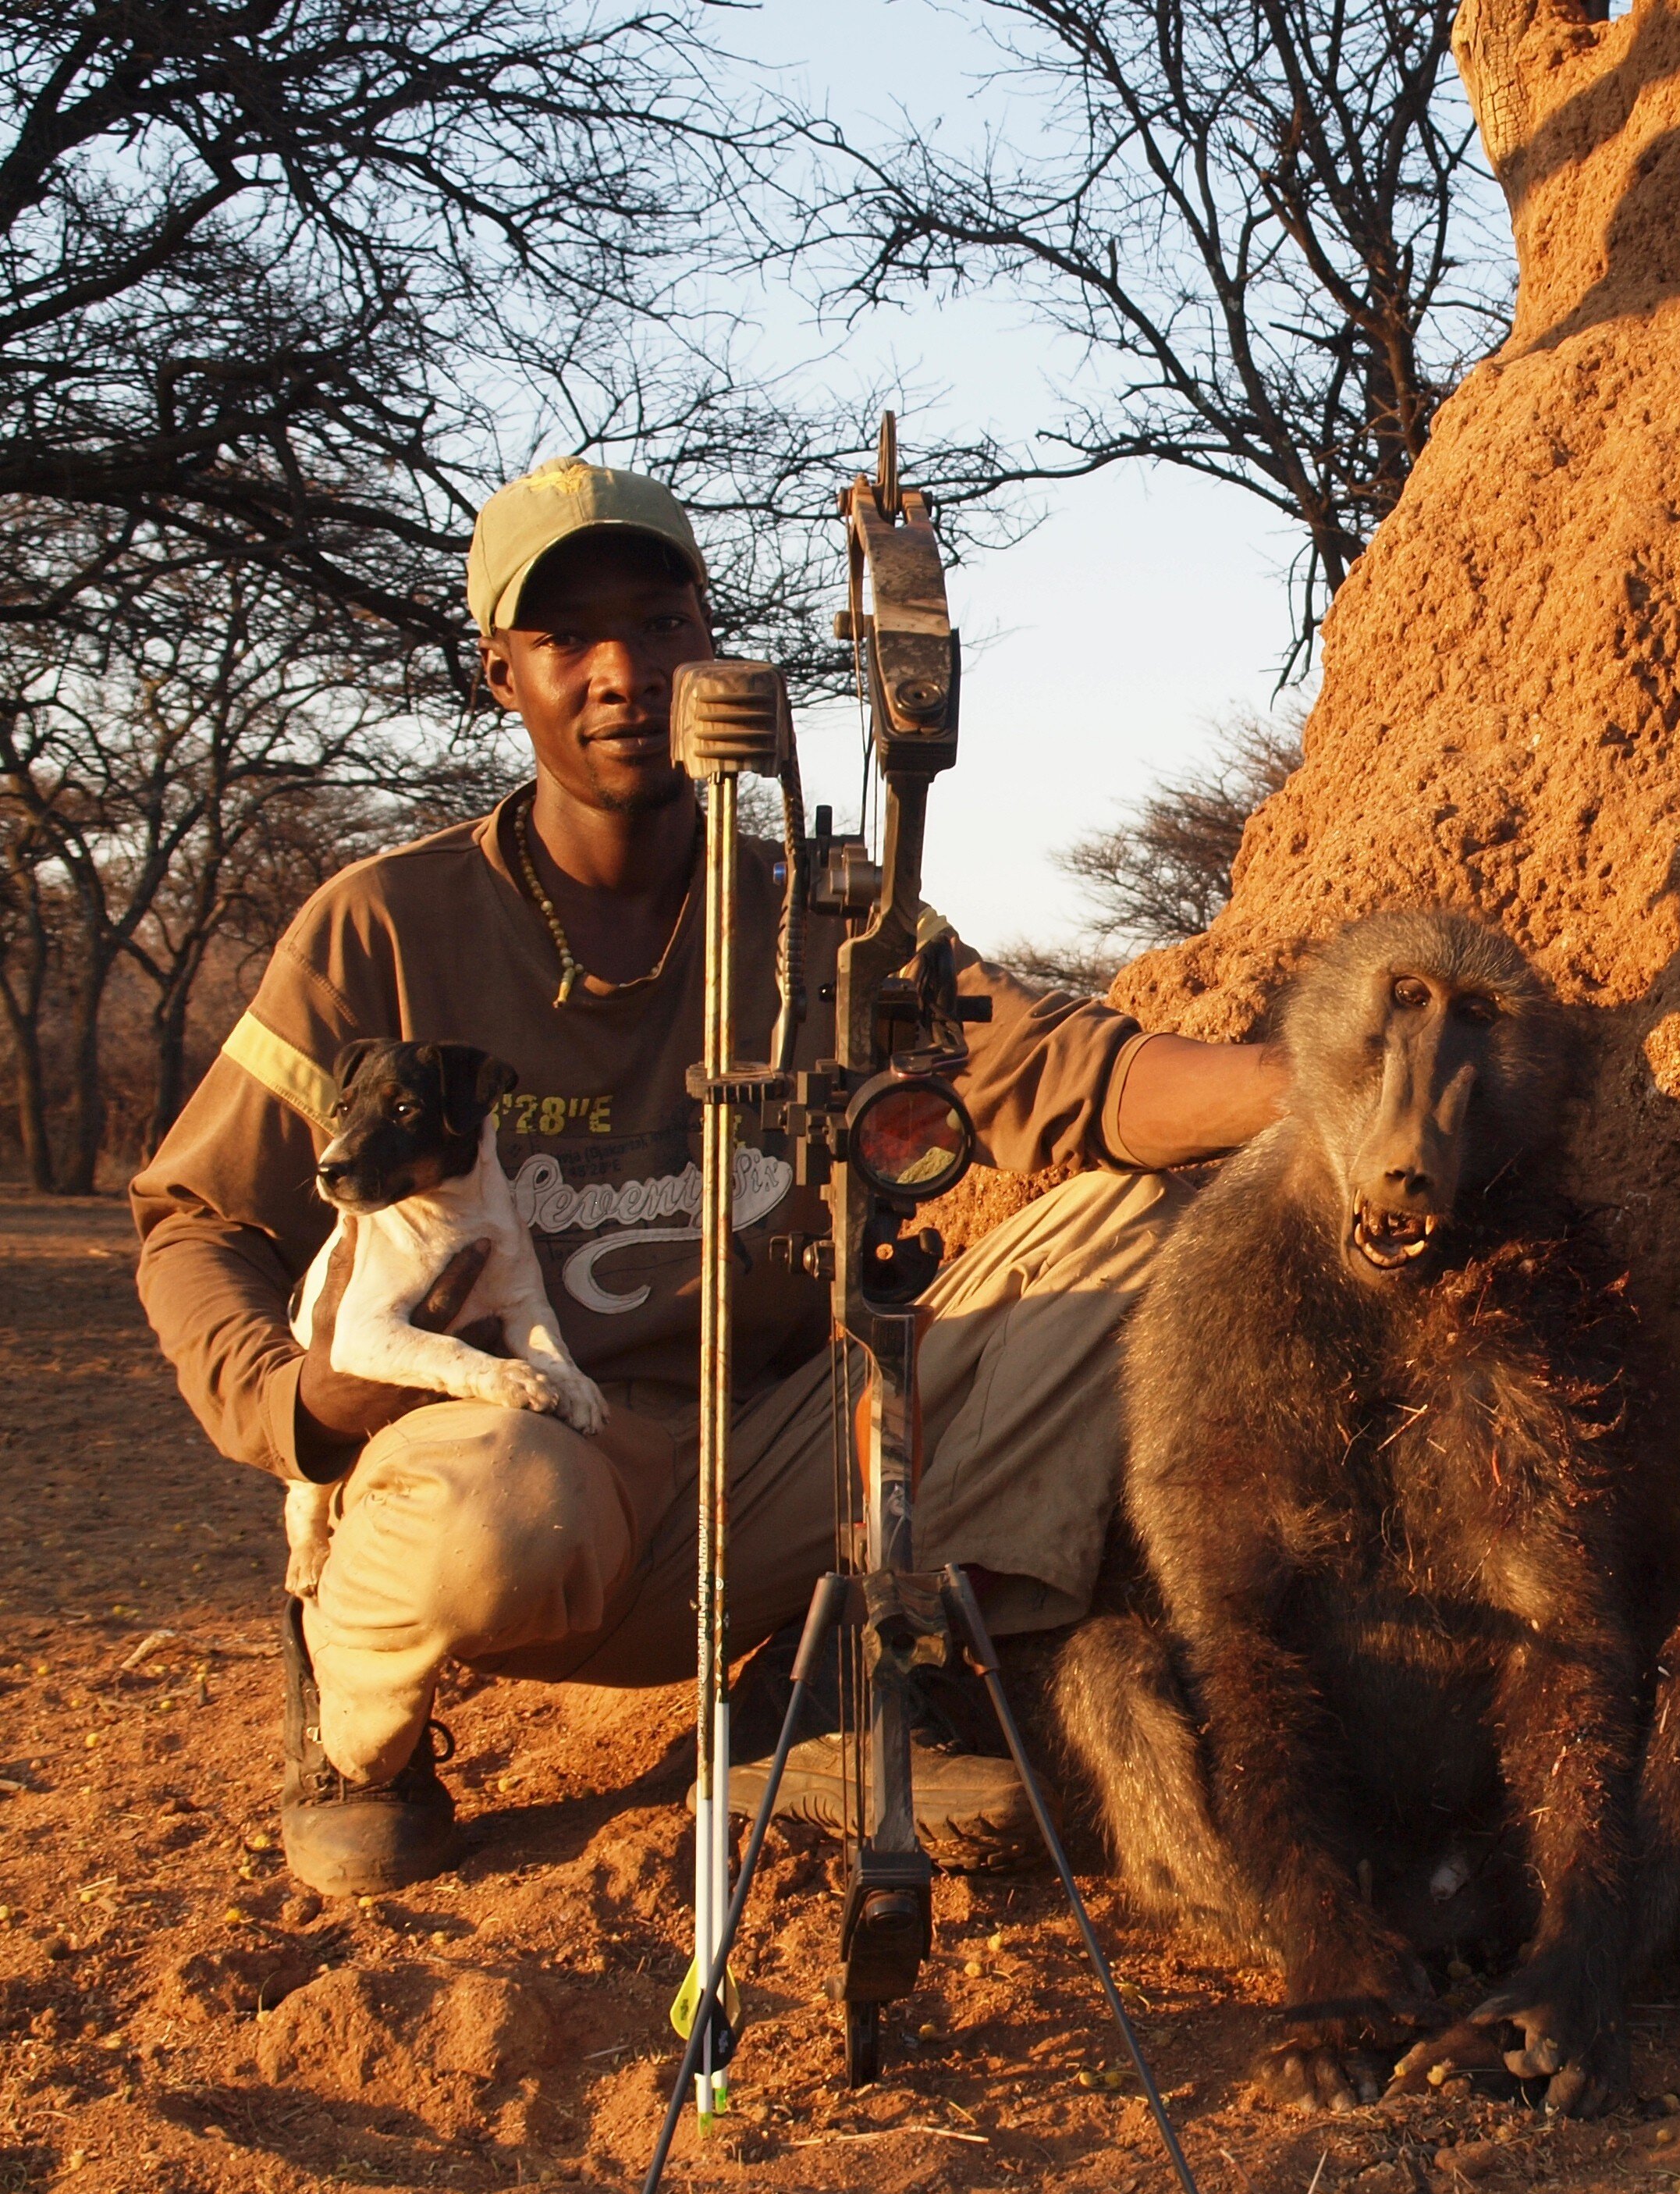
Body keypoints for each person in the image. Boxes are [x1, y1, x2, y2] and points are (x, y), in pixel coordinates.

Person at [131, 457, 1284, 1899]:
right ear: (501, 671)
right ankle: (357, 1721)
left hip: (786, 1447)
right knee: (500, 1508)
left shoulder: (822, 917)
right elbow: (200, 1219)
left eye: (659, 624)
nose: (622, 671)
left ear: (709, 643)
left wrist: (1331, 1080)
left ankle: (849, 1683)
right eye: (568, 639)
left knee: (1150, 1230)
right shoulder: (384, 922)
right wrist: (294, 1405)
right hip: (531, 1455)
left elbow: (1071, 1077)